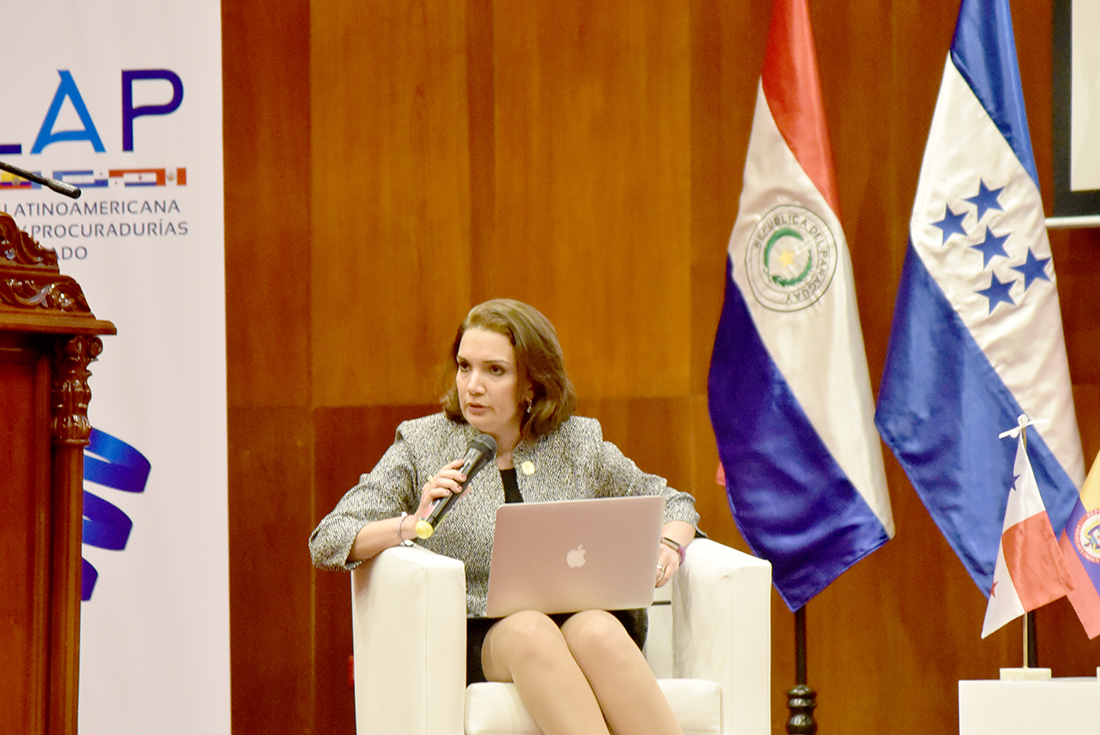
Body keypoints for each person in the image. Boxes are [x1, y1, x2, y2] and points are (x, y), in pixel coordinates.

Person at [309, 298, 700, 735]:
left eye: (494, 370)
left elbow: (676, 503)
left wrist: (669, 545)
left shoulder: (577, 441)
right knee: (531, 631)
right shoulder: (423, 443)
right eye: (464, 367)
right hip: (483, 634)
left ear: (531, 382)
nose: (473, 386)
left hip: (579, 616)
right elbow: (329, 538)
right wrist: (412, 522)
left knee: (599, 631)